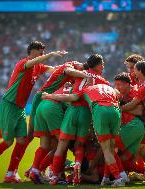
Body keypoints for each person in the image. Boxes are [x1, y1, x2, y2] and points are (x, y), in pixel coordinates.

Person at [0, 41, 67, 183]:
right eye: (41, 52)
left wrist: (68, 67)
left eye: (44, 53)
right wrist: (51, 55)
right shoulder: (23, 63)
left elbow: (54, 70)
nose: (43, 55)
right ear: (33, 52)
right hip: (9, 105)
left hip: (20, 108)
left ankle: (10, 174)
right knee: (8, 142)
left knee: (22, 140)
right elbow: (36, 62)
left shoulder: (38, 66)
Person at [42, 83, 126, 187]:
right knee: (111, 148)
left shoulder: (86, 89)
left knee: (106, 150)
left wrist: (49, 96)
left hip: (100, 110)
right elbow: (119, 96)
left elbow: (70, 97)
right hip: (116, 111)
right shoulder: (109, 87)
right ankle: (106, 177)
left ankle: (118, 178)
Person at [47, 54, 110, 185]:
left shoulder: (79, 74)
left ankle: (54, 176)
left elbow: (66, 77)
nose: (103, 66)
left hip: (72, 110)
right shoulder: (102, 80)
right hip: (85, 113)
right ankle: (77, 172)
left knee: (62, 144)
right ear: (98, 65)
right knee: (80, 145)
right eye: (102, 63)